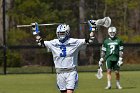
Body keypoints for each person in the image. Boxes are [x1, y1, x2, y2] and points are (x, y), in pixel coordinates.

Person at [31, 22, 95, 93]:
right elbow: (40, 43)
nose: (61, 35)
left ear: (67, 32)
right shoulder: (53, 42)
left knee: (69, 92)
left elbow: (90, 40)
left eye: (62, 33)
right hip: (59, 73)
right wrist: (35, 31)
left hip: (71, 72)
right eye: (59, 33)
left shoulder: (74, 41)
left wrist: (92, 29)